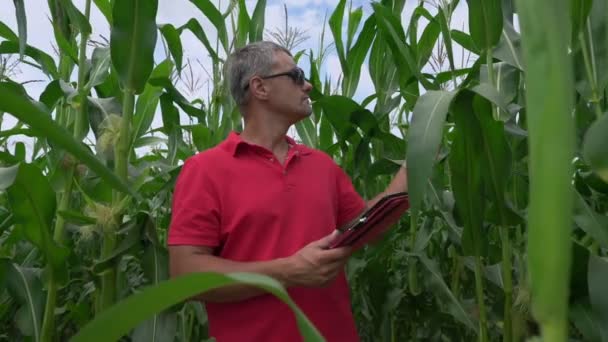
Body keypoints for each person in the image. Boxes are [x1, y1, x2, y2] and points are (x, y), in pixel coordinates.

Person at [167, 41, 408, 342]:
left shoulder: (321, 165)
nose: (307, 85)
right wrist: (288, 271)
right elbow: (185, 275)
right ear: (260, 87)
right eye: (296, 76)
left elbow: (364, 226)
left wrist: (412, 169)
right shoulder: (205, 170)